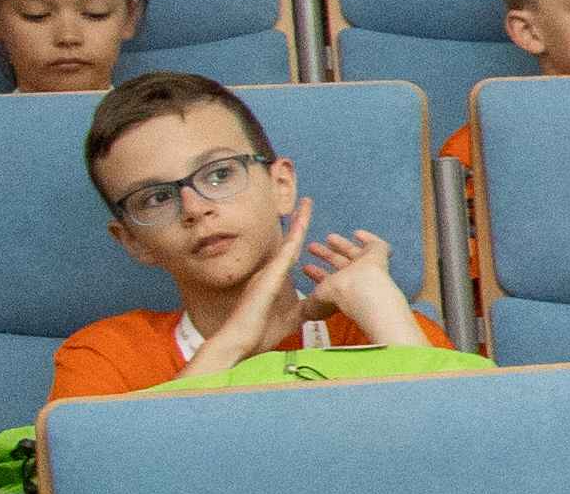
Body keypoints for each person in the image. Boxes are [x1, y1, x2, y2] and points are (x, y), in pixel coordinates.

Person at [46, 72, 430, 397]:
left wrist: (388, 317)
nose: (195, 208)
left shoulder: (380, 325)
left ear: (281, 186)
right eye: (156, 198)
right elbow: (103, 465)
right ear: (132, 240)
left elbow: (457, 452)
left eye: (219, 174)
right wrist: (233, 344)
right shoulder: (106, 358)